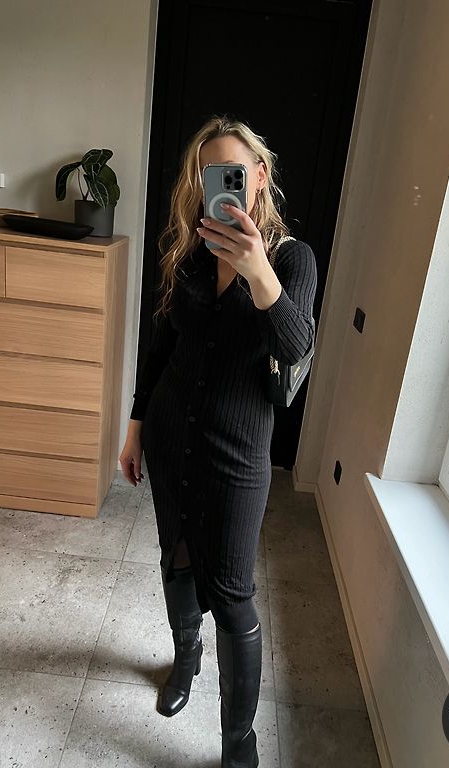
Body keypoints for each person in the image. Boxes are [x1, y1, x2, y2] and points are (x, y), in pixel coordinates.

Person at [119, 115, 317, 768]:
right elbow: (163, 346)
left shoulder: (291, 258)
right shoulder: (190, 252)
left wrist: (258, 271)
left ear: (258, 176)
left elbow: (296, 346)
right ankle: (186, 660)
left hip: (237, 455)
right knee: (176, 560)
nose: (222, 184)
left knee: (231, 593)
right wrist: (136, 426)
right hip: (171, 436)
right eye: (211, 175)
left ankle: (239, 743)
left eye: (233, 171)